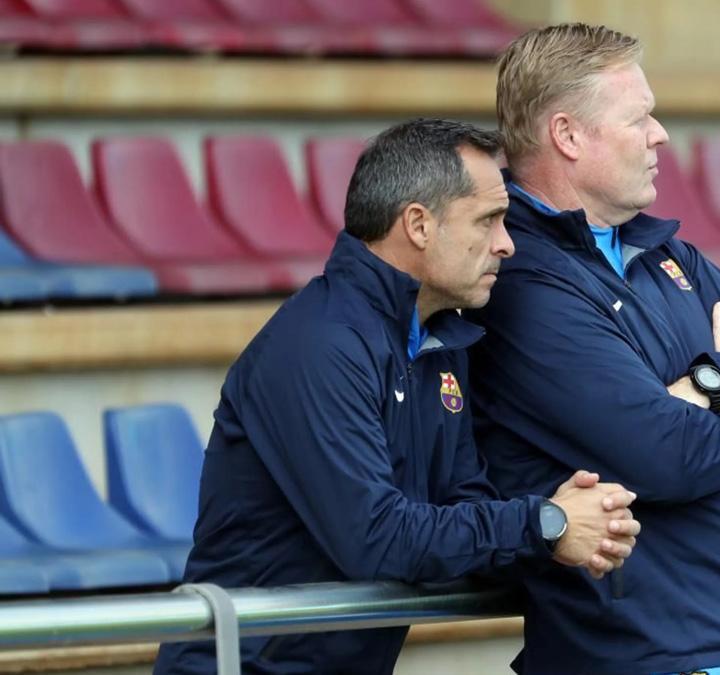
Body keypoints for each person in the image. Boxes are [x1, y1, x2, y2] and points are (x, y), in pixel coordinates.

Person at [154, 119, 642, 675]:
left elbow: (462, 509)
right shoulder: (320, 345)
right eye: (488, 220)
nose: (506, 243)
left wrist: (571, 525)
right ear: (418, 225)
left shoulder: (440, 343)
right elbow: (376, 539)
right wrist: (543, 524)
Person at [466, 24, 720, 675]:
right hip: (643, 654)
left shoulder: (661, 252)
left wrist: (715, 386)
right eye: (638, 118)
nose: (659, 134)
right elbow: (665, 455)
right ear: (568, 136)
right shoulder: (521, 279)